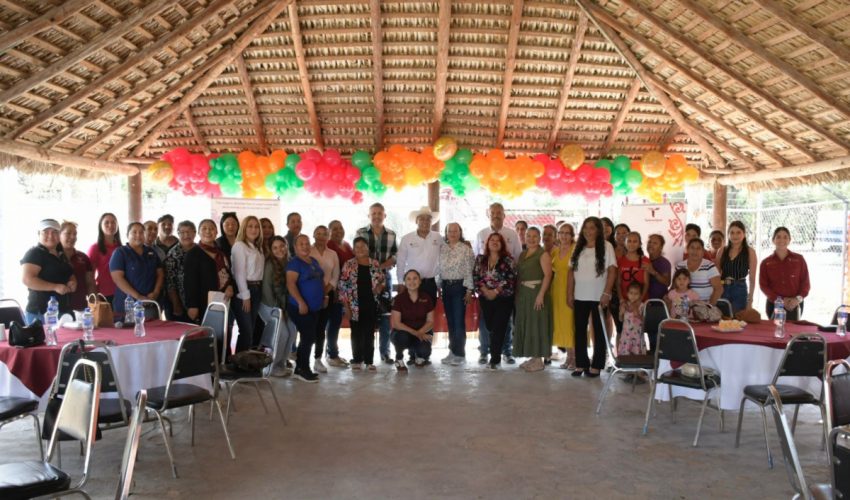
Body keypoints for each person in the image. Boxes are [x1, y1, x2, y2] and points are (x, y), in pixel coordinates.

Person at [568, 217, 617, 378]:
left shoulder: (607, 246)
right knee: (580, 330)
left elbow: (612, 271)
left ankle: (597, 365)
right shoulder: (578, 247)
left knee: (599, 330)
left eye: (592, 228)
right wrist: (569, 293)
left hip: (599, 296)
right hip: (579, 296)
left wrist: (607, 293)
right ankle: (581, 364)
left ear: (598, 230)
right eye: (586, 227)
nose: (589, 231)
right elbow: (570, 272)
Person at [473, 202, 521, 365]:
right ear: (488, 214)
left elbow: (516, 263)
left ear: (504, 214)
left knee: (504, 323)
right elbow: (476, 268)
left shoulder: (512, 235)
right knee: (487, 323)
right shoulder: (481, 233)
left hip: (504, 294)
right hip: (485, 294)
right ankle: (484, 351)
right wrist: (485, 290)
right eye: (493, 212)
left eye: (499, 212)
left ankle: (505, 352)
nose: (496, 215)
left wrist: (497, 290)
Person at [356, 203, 398, 364]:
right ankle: (364, 354)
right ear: (369, 215)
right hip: (364, 278)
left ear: (385, 216)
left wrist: (380, 268)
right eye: (373, 213)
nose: (376, 216)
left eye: (380, 213)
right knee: (365, 315)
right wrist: (373, 268)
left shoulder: (392, 235)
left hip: (385, 277)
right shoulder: (360, 233)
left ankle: (385, 353)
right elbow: (358, 253)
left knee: (385, 316)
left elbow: (395, 256)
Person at [338, 236, 385, 371]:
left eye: (363, 246)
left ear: (368, 248)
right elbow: (343, 287)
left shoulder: (375, 264)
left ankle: (369, 361)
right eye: (357, 247)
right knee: (356, 333)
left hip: (371, 303)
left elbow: (382, 280)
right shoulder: (348, 264)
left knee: (369, 332)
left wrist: (380, 287)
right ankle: (357, 359)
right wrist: (346, 307)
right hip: (353, 305)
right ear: (353, 249)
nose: (360, 249)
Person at [473, 233, 516, 370]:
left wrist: (495, 291)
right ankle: (494, 354)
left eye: (498, 240)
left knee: (499, 327)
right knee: (490, 326)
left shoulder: (508, 260)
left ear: (502, 243)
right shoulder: (480, 259)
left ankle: (495, 359)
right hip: (486, 298)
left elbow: (510, 279)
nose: (495, 242)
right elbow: (476, 277)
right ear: (487, 243)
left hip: (504, 298)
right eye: (492, 240)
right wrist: (486, 291)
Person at [513, 227, 553, 373]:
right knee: (527, 325)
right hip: (524, 294)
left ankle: (539, 359)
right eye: (528, 236)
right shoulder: (523, 254)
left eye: (535, 236)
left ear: (540, 238)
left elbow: (548, 275)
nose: (531, 239)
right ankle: (533, 356)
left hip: (536, 293)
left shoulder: (543, 254)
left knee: (537, 325)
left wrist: (541, 294)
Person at [287, 234, 325, 382]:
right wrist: (301, 302)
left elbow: (319, 279)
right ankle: (303, 368)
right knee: (308, 337)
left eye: (307, 243)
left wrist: (323, 297)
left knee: (310, 337)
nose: (305, 246)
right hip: (299, 307)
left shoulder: (313, 261)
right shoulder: (294, 263)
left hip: (315, 308)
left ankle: (300, 368)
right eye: (301, 244)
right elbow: (290, 284)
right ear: (295, 247)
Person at [21, 219, 76, 322]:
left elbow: (69, 274)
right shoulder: (34, 253)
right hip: (40, 313)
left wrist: (72, 282)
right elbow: (27, 279)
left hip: (63, 311)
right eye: (46, 232)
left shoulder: (61, 254)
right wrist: (54, 287)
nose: (50, 236)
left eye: (55, 232)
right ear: (39, 234)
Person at [183, 219, 235, 324]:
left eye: (211, 229)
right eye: (204, 228)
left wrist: (230, 285)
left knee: (223, 335)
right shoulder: (193, 253)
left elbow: (228, 273)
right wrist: (192, 305)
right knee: (205, 335)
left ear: (216, 232)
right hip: (202, 302)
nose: (208, 231)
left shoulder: (221, 252)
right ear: (198, 232)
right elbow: (189, 281)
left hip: (223, 299)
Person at [109, 222, 164, 316]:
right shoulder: (120, 252)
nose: (138, 235)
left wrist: (156, 292)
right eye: (134, 232)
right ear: (127, 235)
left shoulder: (151, 252)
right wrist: (138, 297)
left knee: (153, 330)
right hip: (128, 307)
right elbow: (118, 279)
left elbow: (160, 274)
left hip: (150, 305)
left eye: (141, 232)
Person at [438, 222, 474, 366]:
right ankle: (452, 351)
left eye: (455, 231)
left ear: (460, 232)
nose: (452, 233)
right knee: (451, 322)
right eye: (450, 231)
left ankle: (460, 354)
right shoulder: (442, 249)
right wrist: (439, 286)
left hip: (460, 287)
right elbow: (439, 268)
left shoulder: (466, 249)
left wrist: (469, 290)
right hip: (446, 287)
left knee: (459, 322)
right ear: (446, 233)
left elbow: (469, 270)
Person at [260, 236, 296, 377]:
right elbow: (267, 292)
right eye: (275, 247)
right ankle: (272, 367)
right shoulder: (269, 264)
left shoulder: (291, 263)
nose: (279, 250)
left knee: (292, 332)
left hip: (285, 306)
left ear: (286, 246)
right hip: (269, 306)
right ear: (271, 250)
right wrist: (280, 311)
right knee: (282, 334)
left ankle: (281, 363)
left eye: (282, 246)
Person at [759, 227, 810, 321]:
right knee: (774, 332)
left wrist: (797, 300)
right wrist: (780, 301)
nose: (782, 240)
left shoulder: (799, 259)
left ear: (789, 240)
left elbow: (805, 284)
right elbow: (763, 286)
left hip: (795, 304)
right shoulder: (766, 262)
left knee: (792, 334)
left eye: (785, 237)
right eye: (778, 237)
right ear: (773, 240)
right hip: (774, 304)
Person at [309, 225, 340, 374]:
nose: (321, 237)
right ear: (314, 235)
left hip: (327, 295)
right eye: (318, 233)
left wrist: (326, 290)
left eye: (324, 234)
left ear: (328, 236)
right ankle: (303, 358)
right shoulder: (308, 250)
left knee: (321, 327)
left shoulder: (333, 254)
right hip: (309, 295)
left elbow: (336, 276)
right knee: (309, 327)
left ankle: (317, 359)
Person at [231, 216, 265, 352]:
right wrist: (245, 295)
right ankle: (239, 364)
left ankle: (246, 362)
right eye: (250, 226)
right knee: (246, 330)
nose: (254, 229)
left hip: (257, 288)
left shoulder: (258, 247)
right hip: (245, 289)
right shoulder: (240, 246)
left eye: (256, 226)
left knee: (251, 329)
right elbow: (239, 273)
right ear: (244, 228)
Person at [390, 270, 435, 371]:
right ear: (405, 282)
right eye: (408, 279)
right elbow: (396, 324)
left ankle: (419, 356)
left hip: (421, 331)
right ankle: (399, 358)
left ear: (420, 281)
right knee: (402, 337)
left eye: (415, 278)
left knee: (425, 349)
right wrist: (417, 333)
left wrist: (420, 332)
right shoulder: (398, 299)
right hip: (403, 333)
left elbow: (431, 321)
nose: (412, 281)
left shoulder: (427, 298)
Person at [397, 206, 442, 302]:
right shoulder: (406, 239)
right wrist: (400, 282)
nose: (425, 221)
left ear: (431, 221)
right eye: (421, 219)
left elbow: (445, 256)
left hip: (430, 283)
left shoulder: (438, 237)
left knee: (430, 312)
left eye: (428, 219)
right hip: (412, 283)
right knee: (413, 313)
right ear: (416, 221)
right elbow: (400, 262)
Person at [326, 220, 354, 367]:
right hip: (335, 290)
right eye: (334, 229)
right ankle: (332, 354)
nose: (338, 231)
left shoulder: (347, 245)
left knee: (335, 322)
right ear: (329, 232)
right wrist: (336, 289)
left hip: (346, 290)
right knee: (334, 322)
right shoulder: (329, 245)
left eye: (340, 228)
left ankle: (331, 352)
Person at [715, 221, 757, 313]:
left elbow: (752, 279)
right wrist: (715, 294)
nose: (735, 235)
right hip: (723, 288)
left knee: (737, 321)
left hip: (740, 289)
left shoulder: (750, 252)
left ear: (744, 234)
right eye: (732, 232)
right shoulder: (721, 251)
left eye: (738, 232)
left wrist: (750, 301)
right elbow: (716, 277)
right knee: (722, 320)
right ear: (728, 235)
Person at [551, 223, 576, 369]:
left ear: (572, 235)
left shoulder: (576, 250)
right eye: (561, 232)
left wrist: (571, 293)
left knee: (570, 324)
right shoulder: (556, 250)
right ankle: (568, 356)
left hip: (570, 289)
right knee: (561, 324)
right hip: (556, 290)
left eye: (567, 233)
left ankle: (575, 358)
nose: (564, 236)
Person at [59, 221, 95, 312]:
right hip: (57, 308)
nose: (72, 237)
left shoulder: (83, 257)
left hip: (81, 307)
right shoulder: (52, 257)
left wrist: (94, 306)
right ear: (59, 235)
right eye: (68, 233)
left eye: (75, 234)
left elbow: (90, 283)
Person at [164, 221, 196, 321]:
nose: (186, 235)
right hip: (179, 303)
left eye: (189, 232)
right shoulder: (172, 254)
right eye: (182, 232)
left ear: (195, 233)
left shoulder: (200, 250)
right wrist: (176, 304)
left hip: (197, 301)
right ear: (178, 234)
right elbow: (170, 282)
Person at [87, 212, 121, 302]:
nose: (110, 225)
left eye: (113, 222)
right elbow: (90, 276)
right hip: (103, 294)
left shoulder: (122, 248)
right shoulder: (95, 248)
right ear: (100, 226)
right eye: (106, 222)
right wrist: (93, 296)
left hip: (122, 293)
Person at [676, 238, 722, 304]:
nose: (695, 251)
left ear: (703, 251)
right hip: (683, 305)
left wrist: (709, 307)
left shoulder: (709, 266)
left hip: (704, 306)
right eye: (692, 248)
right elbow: (674, 287)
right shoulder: (680, 266)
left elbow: (719, 289)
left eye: (698, 248)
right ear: (687, 250)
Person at [617, 232, 650, 303]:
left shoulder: (645, 260)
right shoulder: (620, 261)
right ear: (625, 243)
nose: (631, 244)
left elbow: (646, 283)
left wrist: (639, 300)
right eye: (629, 241)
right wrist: (621, 300)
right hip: (625, 302)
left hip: (641, 302)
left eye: (635, 241)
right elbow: (618, 283)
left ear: (639, 244)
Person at [618, 281, 646, 356]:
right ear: (627, 294)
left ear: (640, 295)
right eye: (631, 293)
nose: (633, 296)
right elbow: (620, 320)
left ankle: (637, 366)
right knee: (625, 354)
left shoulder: (642, 306)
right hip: (626, 335)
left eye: (636, 294)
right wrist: (621, 313)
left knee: (637, 355)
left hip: (637, 335)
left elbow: (645, 321)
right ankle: (625, 366)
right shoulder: (624, 305)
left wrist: (639, 315)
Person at [644, 234, 671, 300]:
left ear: (661, 247)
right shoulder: (644, 260)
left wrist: (654, 272)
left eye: (655, 243)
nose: (651, 245)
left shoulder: (664, 262)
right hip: (644, 301)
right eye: (649, 242)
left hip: (659, 302)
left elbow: (667, 282)